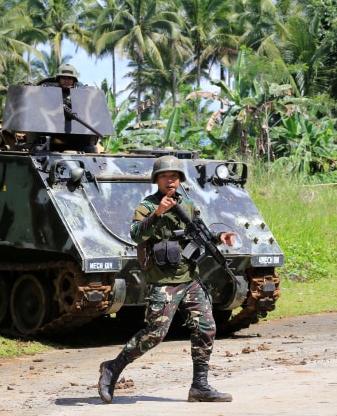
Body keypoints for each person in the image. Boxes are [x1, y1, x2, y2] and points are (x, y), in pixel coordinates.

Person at [98, 155, 236, 404]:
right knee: (155, 333)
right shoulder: (147, 207)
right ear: (157, 180)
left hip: (190, 279)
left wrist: (220, 236)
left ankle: (200, 387)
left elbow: (200, 232)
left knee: (206, 328)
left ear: (180, 180)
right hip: (163, 282)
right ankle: (112, 368)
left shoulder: (189, 206)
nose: (170, 180)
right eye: (164, 176)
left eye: (174, 176)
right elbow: (136, 235)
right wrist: (159, 213)